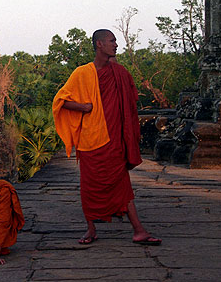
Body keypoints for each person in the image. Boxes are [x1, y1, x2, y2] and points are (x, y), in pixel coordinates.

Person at [52, 29, 161, 246]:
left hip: (114, 140)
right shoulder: (82, 73)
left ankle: (138, 230)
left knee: (122, 184)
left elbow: (129, 106)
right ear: (100, 44)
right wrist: (83, 106)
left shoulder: (119, 73)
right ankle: (91, 229)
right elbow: (60, 101)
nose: (116, 44)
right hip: (91, 140)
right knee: (89, 186)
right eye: (112, 41)